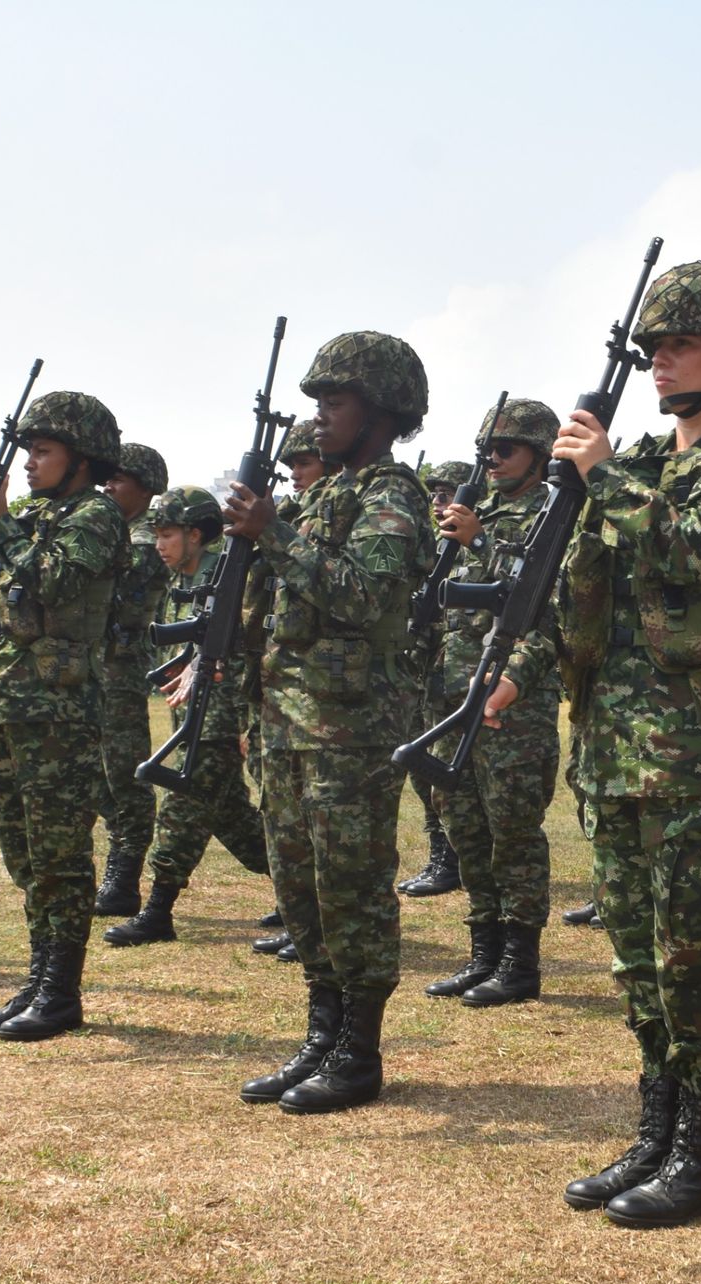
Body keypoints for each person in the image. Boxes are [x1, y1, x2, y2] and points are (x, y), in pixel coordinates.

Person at [555, 260, 701, 1228]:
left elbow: (694, 548)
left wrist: (602, 475)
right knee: (637, 962)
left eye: (681, 344)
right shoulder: (643, 465)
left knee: (695, 961)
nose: (659, 360)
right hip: (615, 750)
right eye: (652, 346)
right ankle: (655, 1132)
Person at [231, 331, 434, 1113]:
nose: (318, 416)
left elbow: (363, 595)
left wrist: (274, 534)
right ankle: (322, 1032)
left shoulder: (392, 495)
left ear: (379, 410)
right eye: (315, 402)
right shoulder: (320, 496)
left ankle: (358, 1049)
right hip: (290, 718)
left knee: (351, 883)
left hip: (352, 726)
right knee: (301, 883)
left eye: (334, 401)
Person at [0, 392, 124, 1042]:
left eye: (43, 451)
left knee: (59, 850)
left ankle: (60, 991)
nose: (29, 463)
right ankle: (39, 978)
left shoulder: (97, 516)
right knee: (24, 850)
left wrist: (1, 523)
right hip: (4, 700)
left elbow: (56, 582)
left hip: (59, 708)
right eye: (28, 450)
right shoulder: (31, 518)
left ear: (80, 457)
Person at [421, 401, 563, 1006]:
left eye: (507, 448)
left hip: (512, 704)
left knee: (512, 831)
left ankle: (519, 963)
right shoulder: (476, 514)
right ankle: (483, 953)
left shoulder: (554, 515)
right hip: (453, 694)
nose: (494, 459)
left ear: (538, 453)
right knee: (465, 826)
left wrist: (479, 541)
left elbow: (545, 601)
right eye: (487, 450)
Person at [107, 486, 272, 947]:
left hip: (220, 719)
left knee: (181, 807)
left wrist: (244, 719)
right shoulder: (181, 581)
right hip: (195, 718)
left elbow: (244, 641)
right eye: (158, 534)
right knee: (235, 820)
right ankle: (300, 886)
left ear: (195, 534)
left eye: (168, 534)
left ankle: (158, 912)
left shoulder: (229, 574)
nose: (159, 544)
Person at [249, 421, 327, 963]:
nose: (296, 473)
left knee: (319, 821)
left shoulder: (361, 506)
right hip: (278, 680)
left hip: (323, 688)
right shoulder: (295, 515)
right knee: (285, 817)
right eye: (291, 464)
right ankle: (300, 917)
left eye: (304, 462)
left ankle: (314, 923)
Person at [93, 442, 170, 920]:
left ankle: (123, 878)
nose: (107, 487)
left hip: (118, 670)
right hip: (93, 668)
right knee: (95, 775)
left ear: (145, 487)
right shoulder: (115, 534)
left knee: (124, 774)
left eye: (117, 479)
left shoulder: (143, 541)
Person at [397, 463, 464, 903]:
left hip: (454, 677)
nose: (439, 502)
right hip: (419, 674)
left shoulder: (470, 548)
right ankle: (440, 856)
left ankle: (452, 860)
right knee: (420, 771)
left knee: (443, 774)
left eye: (447, 493)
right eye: (434, 494)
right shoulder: (428, 547)